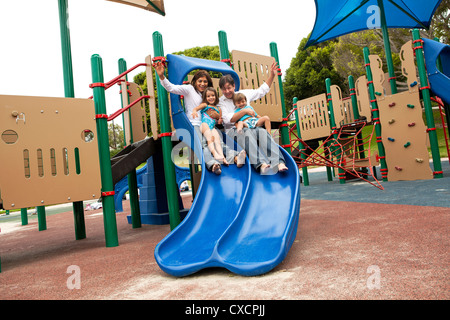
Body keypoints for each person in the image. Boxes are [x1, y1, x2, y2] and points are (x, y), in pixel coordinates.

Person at [154, 62, 245, 175]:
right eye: (200, 81)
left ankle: (235, 157)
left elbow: (213, 111)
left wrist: (217, 117)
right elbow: (171, 88)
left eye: (205, 81)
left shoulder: (207, 94)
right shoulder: (189, 89)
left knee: (219, 141)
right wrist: (162, 76)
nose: (202, 84)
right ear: (195, 81)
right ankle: (212, 164)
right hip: (194, 124)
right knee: (202, 143)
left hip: (207, 124)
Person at [218, 61, 288, 174]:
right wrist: (245, 111)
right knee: (246, 132)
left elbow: (261, 91)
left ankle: (279, 162)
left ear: (234, 86)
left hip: (252, 127)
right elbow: (228, 119)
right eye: (224, 89)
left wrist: (272, 75)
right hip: (234, 132)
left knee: (263, 132)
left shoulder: (243, 94)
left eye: (229, 88)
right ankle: (261, 164)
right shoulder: (221, 102)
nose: (227, 91)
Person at [191, 87, 229, 166]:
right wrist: (194, 111)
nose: (211, 97)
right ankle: (215, 154)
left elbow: (219, 120)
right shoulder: (205, 105)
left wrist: (220, 120)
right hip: (204, 125)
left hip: (212, 127)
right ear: (205, 98)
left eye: (213, 95)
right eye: (208, 96)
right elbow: (196, 108)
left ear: (216, 96)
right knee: (210, 139)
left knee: (217, 141)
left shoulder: (219, 108)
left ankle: (222, 157)